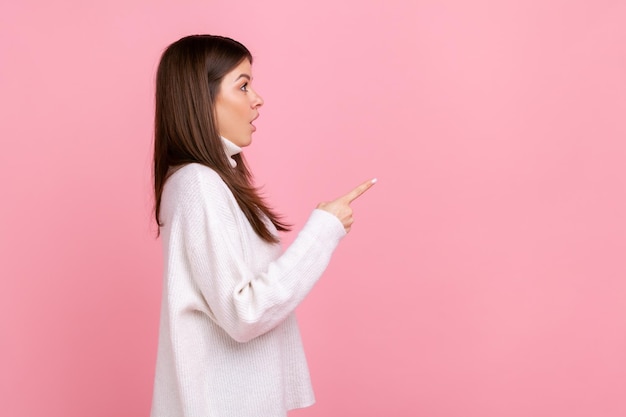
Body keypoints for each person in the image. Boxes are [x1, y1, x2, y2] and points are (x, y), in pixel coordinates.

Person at [150, 34, 375, 417]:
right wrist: (323, 231)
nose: (257, 98)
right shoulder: (198, 185)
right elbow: (245, 311)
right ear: (201, 99)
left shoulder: (203, 182)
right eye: (243, 85)